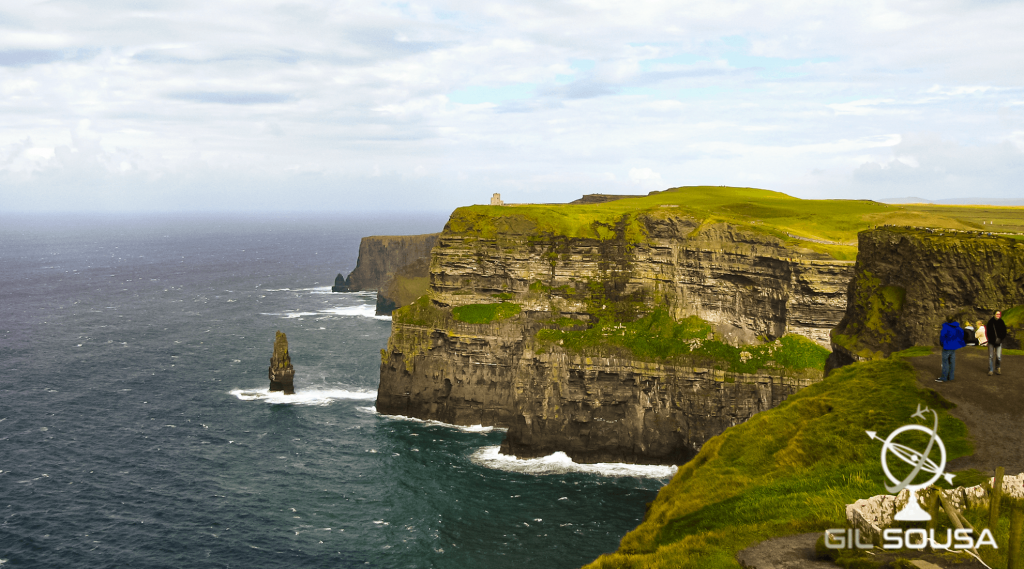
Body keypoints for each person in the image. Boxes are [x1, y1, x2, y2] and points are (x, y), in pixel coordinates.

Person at [938, 316, 966, 382]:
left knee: (945, 362)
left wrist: (942, 344)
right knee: (952, 362)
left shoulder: (946, 327)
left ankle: (944, 377)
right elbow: (962, 333)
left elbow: (942, 336)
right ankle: (951, 377)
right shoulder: (957, 327)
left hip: (947, 346)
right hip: (953, 347)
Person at [985, 310, 1008, 376]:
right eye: (997, 314)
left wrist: (1000, 339)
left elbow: (1004, 332)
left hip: (999, 342)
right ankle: (991, 370)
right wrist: (993, 339)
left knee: (998, 356)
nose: (998, 315)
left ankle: (998, 368)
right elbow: (988, 333)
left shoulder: (1001, 322)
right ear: (994, 314)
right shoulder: (990, 322)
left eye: (999, 314)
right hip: (991, 342)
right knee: (991, 356)